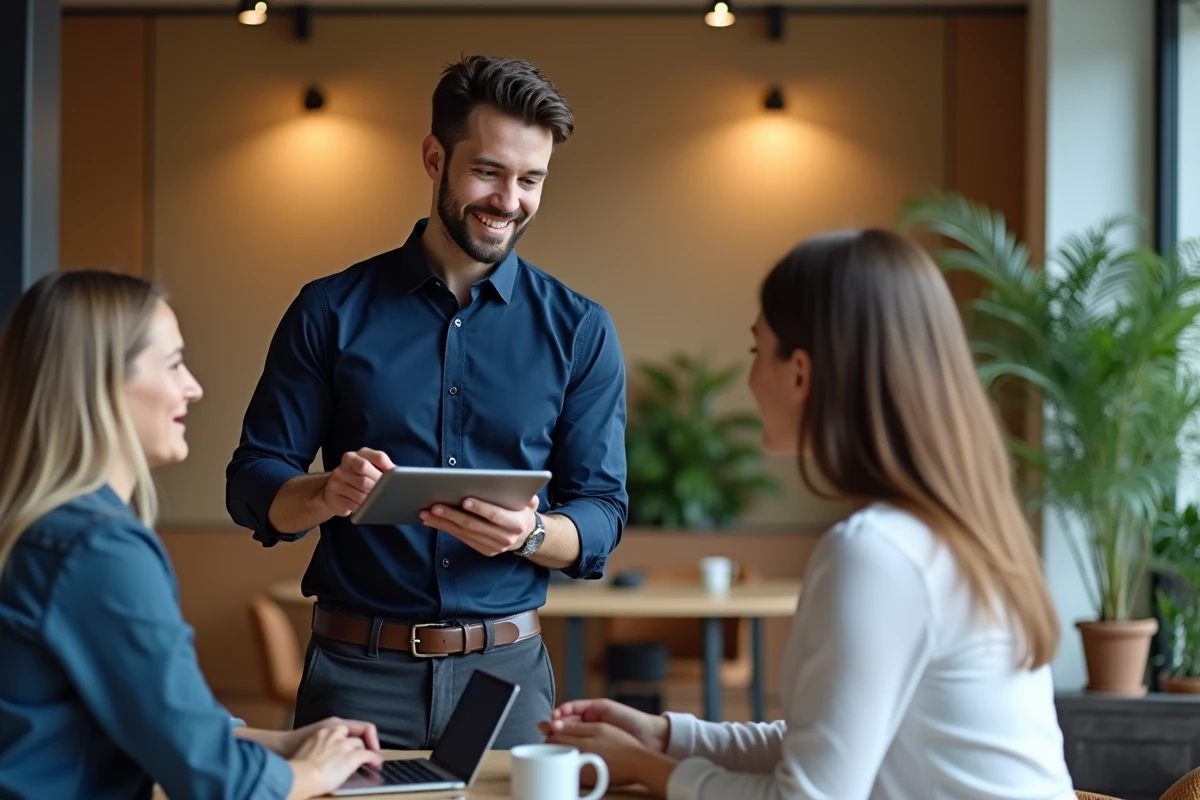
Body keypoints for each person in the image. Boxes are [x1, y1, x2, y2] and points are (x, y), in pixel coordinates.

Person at [539, 229, 1076, 800]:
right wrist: (664, 736)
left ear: (800, 372)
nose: (748, 378)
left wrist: (646, 768)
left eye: (755, 350)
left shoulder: (879, 552)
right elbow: (821, 746)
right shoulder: (952, 531)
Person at [225, 54, 628, 750]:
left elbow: (602, 511)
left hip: (504, 679)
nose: (510, 200)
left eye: (531, 180)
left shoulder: (580, 330)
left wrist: (530, 534)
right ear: (434, 157)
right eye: (489, 171)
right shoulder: (329, 310)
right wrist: (326, 492)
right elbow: (253, 481)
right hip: (356, 674)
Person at [0, 270, 385, 800]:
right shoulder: (96, 549)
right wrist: (316, 773)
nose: (194, 388)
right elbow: (218, 782)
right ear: (103, 380)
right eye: (174, 364)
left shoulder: (46, 530)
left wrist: (287, 744)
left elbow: (165, 724)